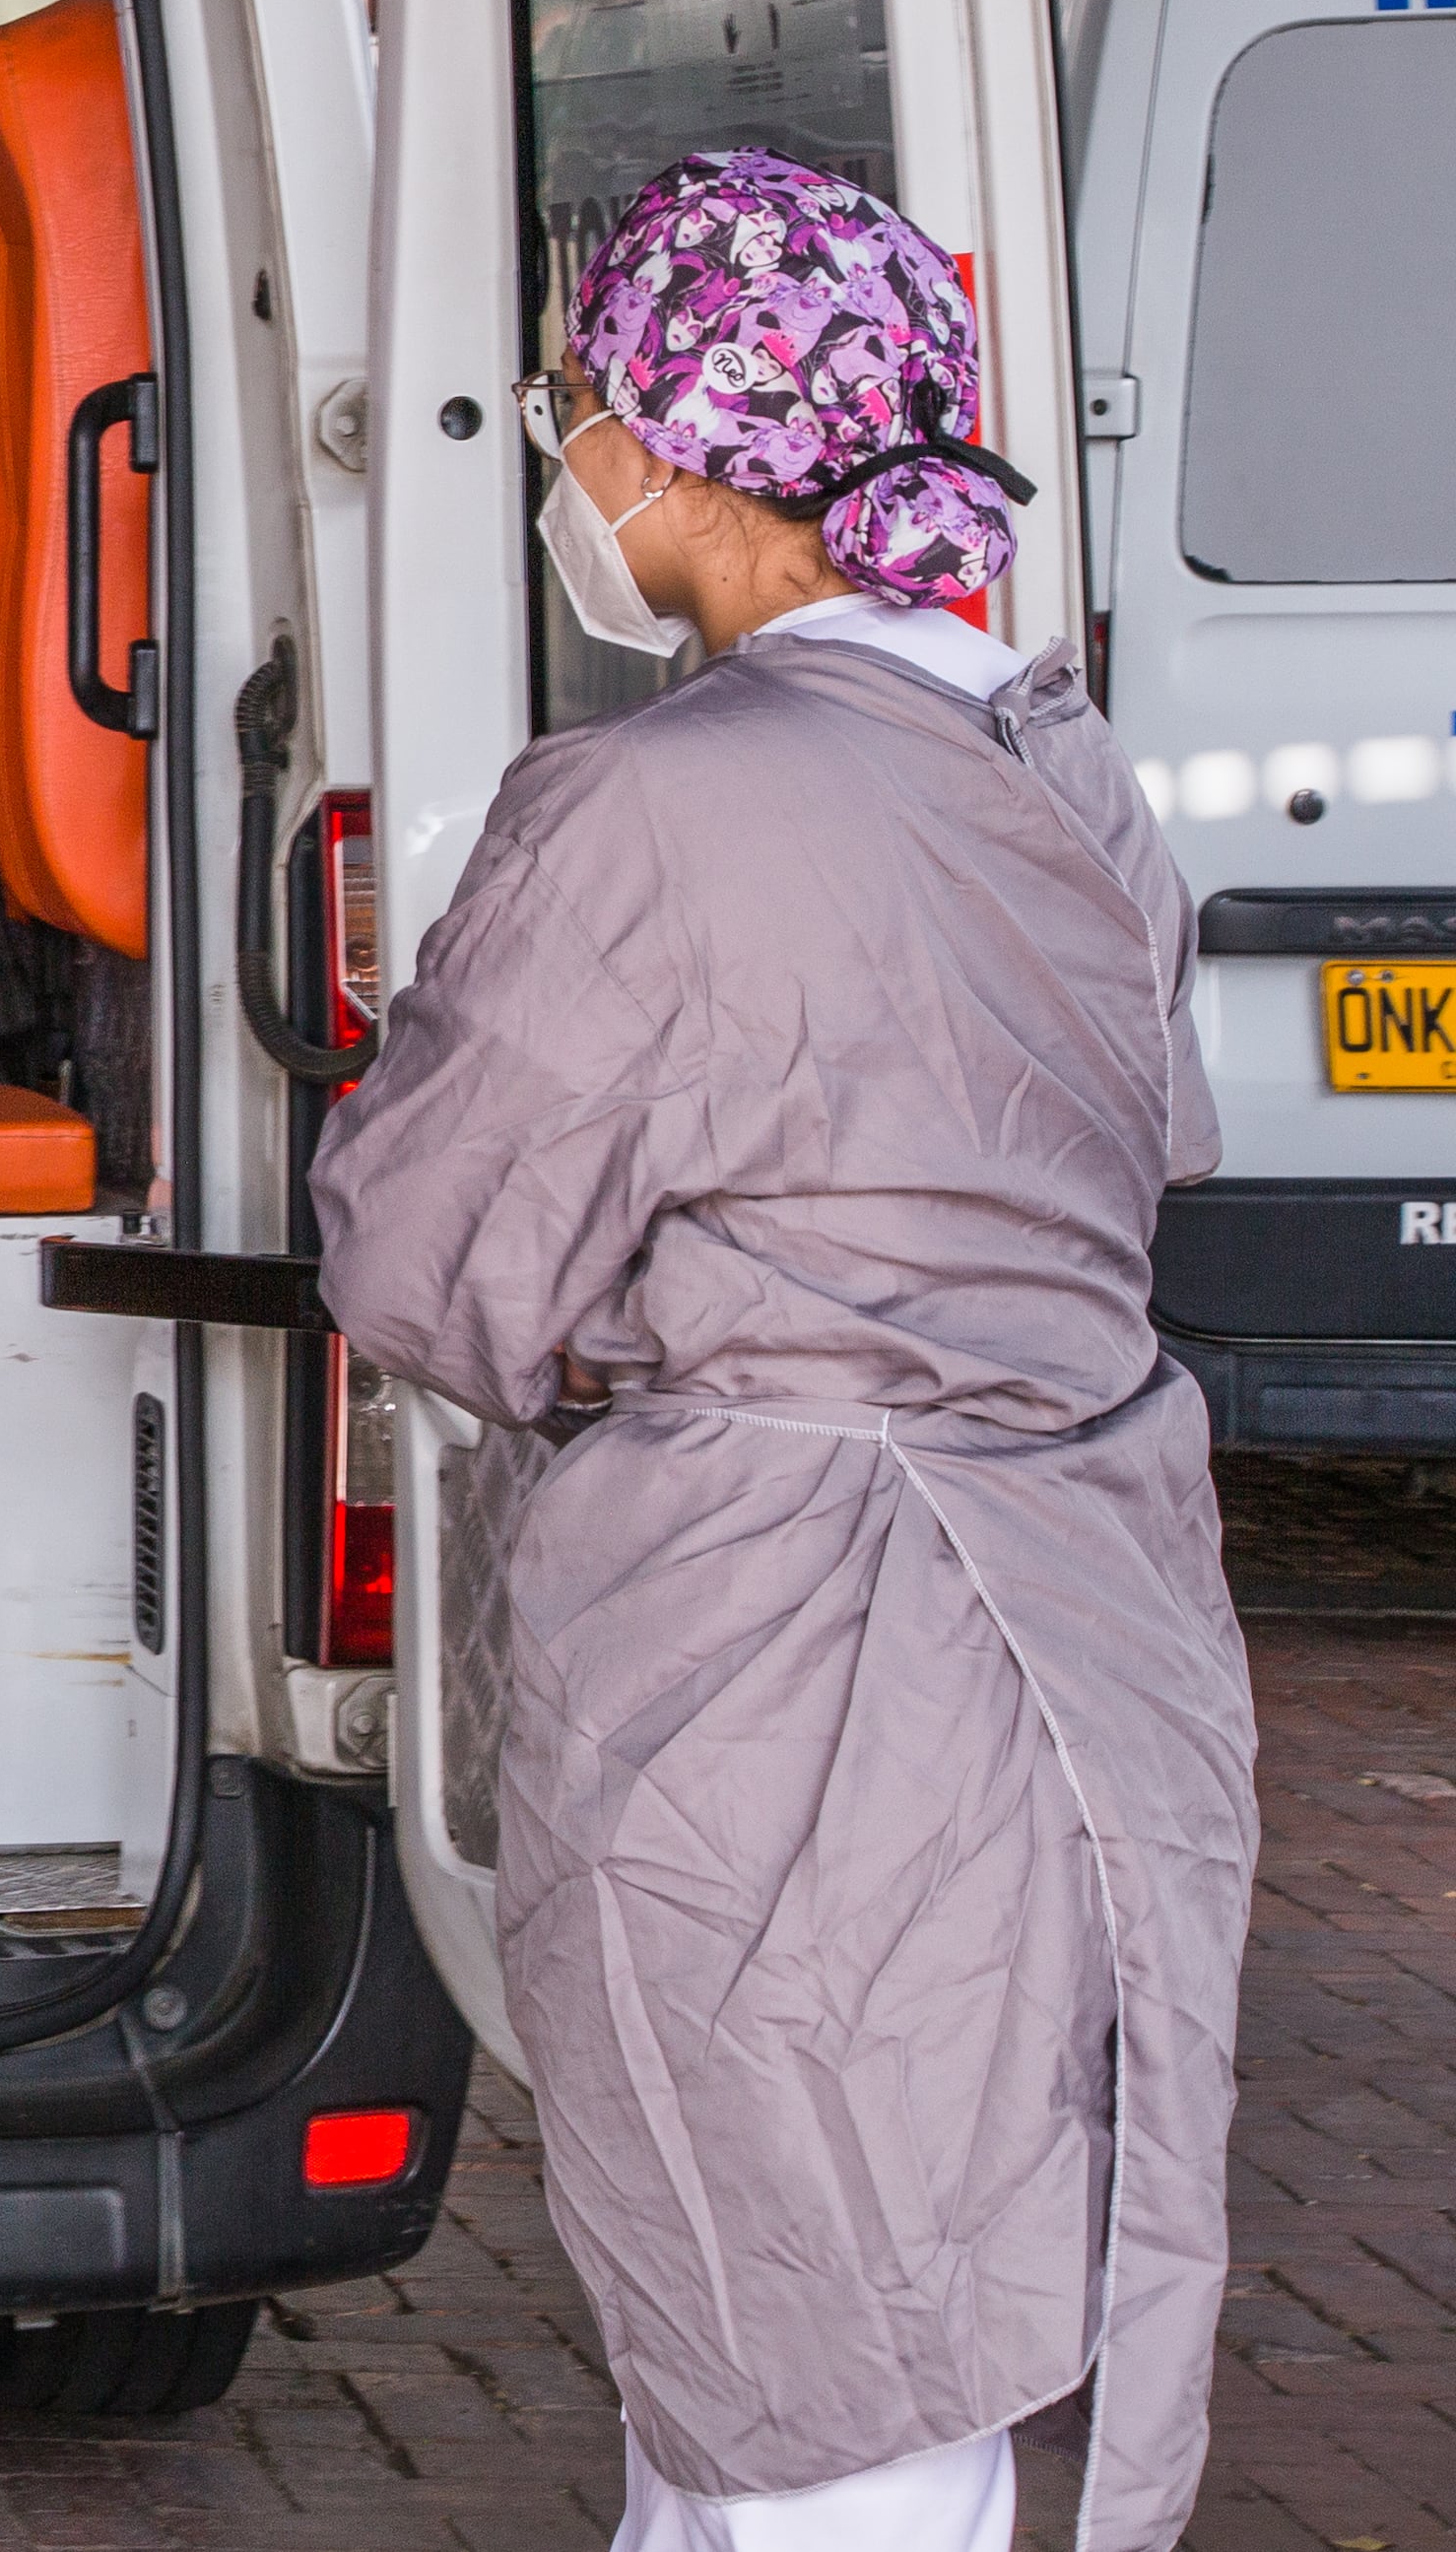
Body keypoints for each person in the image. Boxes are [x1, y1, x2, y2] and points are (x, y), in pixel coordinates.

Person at [308, 153, 1256, 2552]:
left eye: (577, 415)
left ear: (691, 449)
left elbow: (431, 1252)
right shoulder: (1062, 755)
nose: (567, 470)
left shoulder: (645, 800)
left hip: (781, 1636)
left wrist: (679, 1318)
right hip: (1096, 1610)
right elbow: (1144, 1146)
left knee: (813, 2311)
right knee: (927, 2235)